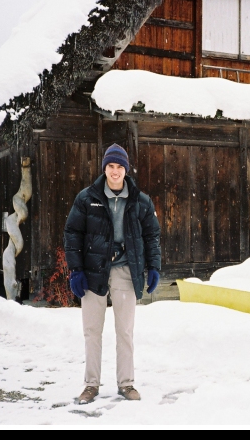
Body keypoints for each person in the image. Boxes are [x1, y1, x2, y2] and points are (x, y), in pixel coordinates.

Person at [64, 143, 161, 404]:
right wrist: (75, 270)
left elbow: (152, 236)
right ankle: (91, 385)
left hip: (125, 270)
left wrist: (154, 267)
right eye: (110, 166)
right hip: (93, 270)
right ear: (104, 168)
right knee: (92, 330)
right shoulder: (87, 198)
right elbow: (72, 233)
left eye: (119, 167)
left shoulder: (140, 201)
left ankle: (126, 384)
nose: (115, 172)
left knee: (125, 330)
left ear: (126, 170)